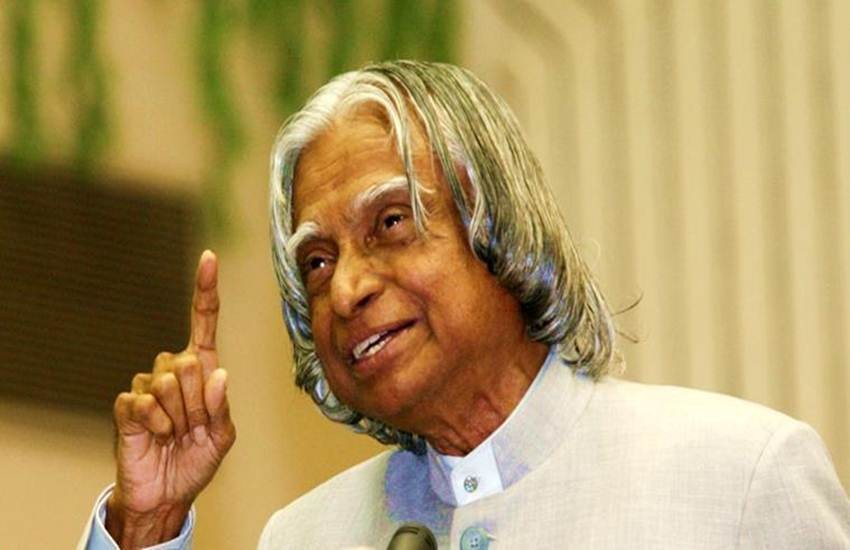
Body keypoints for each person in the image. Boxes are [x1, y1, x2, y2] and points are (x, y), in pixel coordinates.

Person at [79, 60, 850, 549]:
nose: (345, 289)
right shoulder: (307, 537)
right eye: (317, 262)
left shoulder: (739, 478)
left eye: (390, 223)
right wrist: (146, 528)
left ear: (496, 224)